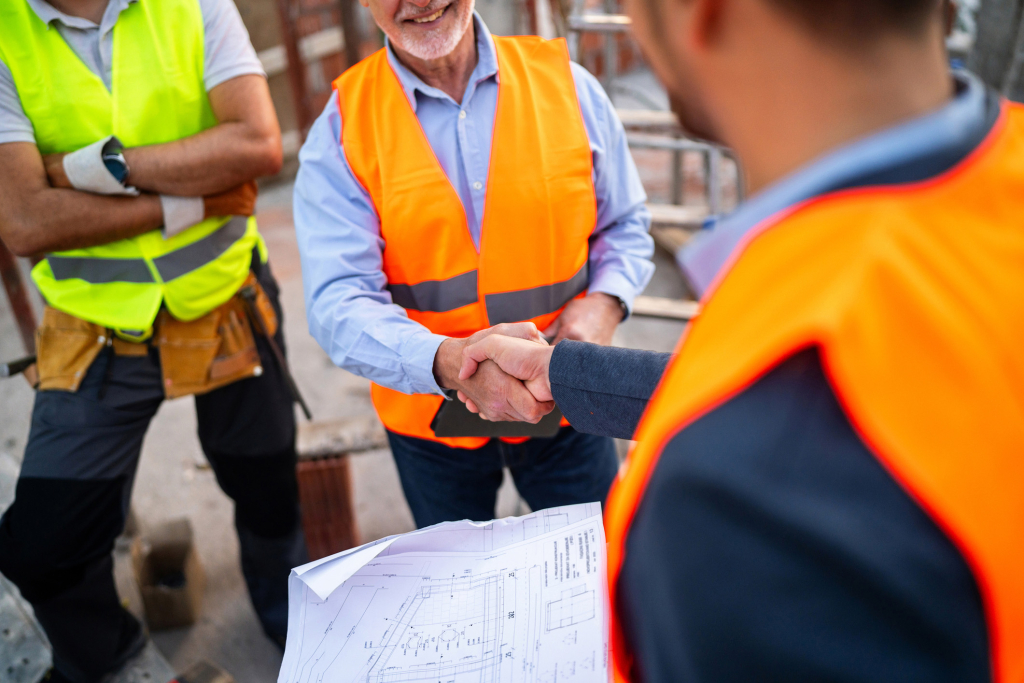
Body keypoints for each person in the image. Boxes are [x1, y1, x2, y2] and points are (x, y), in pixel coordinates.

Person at [456, 0, 1024, 680]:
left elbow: (803, 414)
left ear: (704, 12)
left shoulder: (731, 505)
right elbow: (900, 393)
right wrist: (563, 373)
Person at [0, 0, 307, 679]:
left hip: (224, 303)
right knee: (44, 547)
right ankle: (107, 653)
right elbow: (23, 220)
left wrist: (84, 168)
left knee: (267, 486)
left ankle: (293, 625)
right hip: (96, 329)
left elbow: (257, 146)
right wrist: (191, 199)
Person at [293, 0, 654, 528]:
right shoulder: (342, 131)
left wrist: (604, 304)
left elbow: (624, 223)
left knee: (601, 572)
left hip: (569, 404)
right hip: (433, 423)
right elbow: (337, 303)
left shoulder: (570, 89)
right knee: (462, 597)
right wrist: (451, 363)